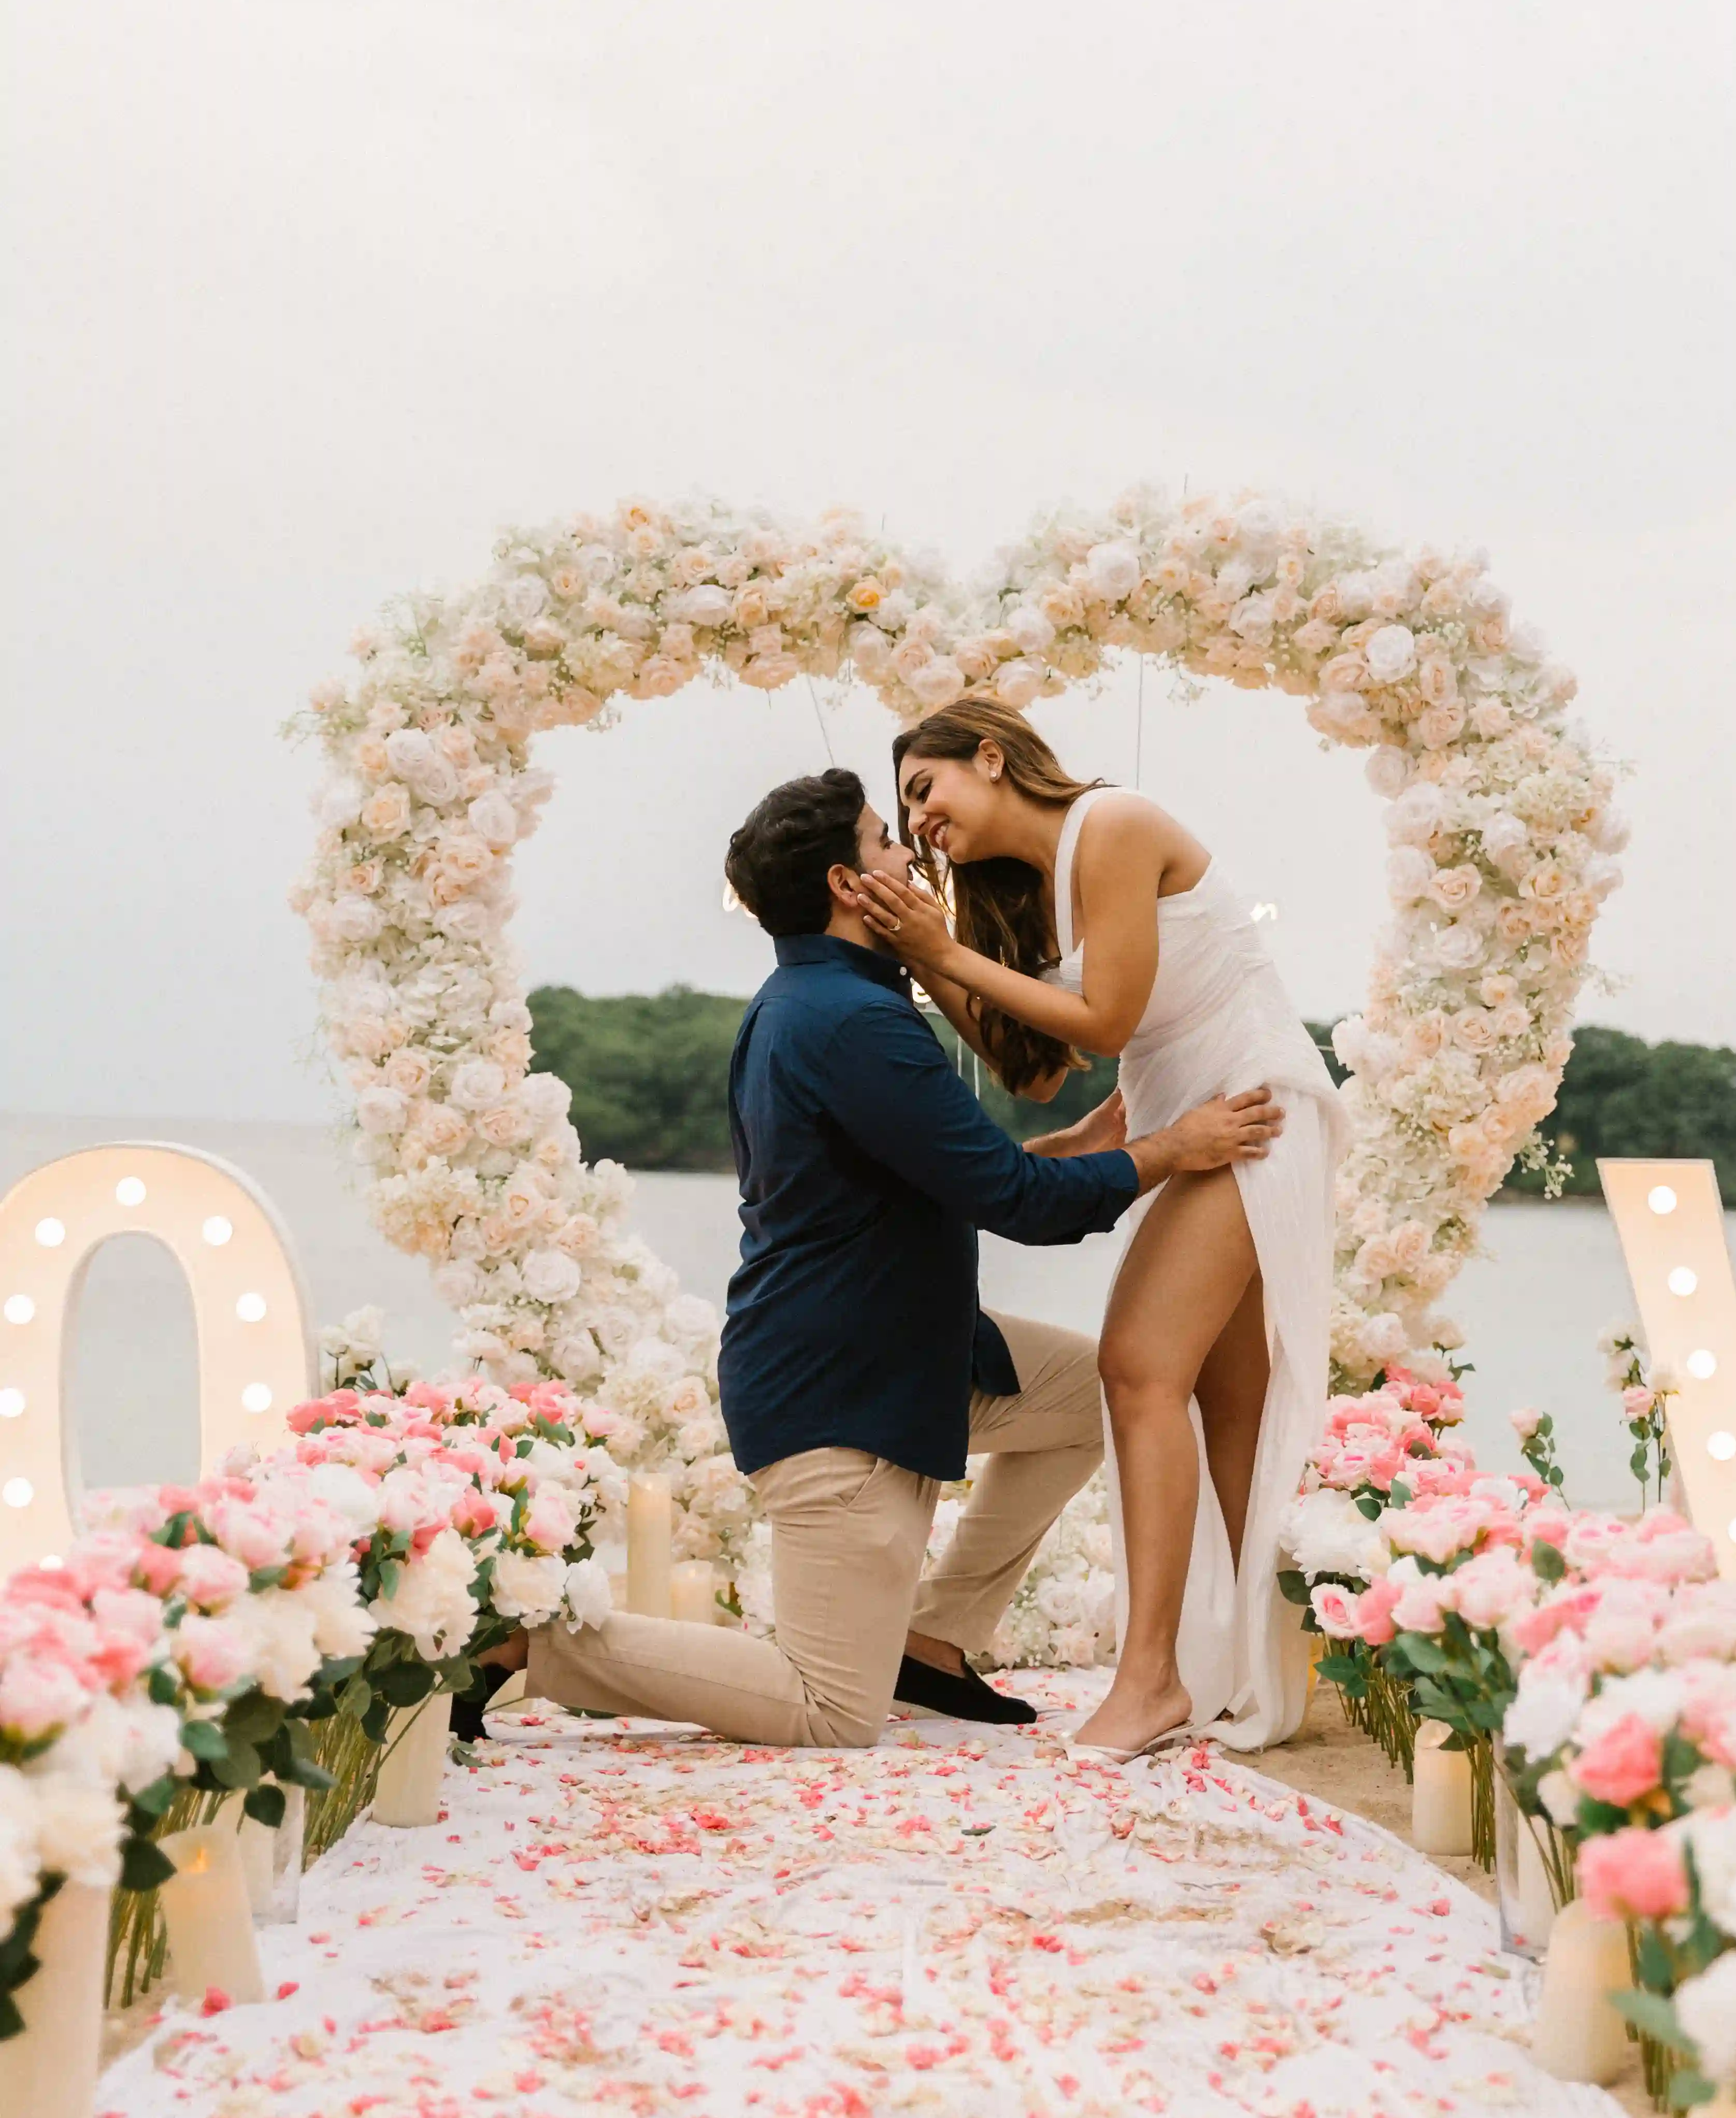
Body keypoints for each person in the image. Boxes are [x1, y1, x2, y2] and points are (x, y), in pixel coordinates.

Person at [477, 766, 1283, 1751]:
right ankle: (534, 1649)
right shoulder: (850, 1023)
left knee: (1089, 1401)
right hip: (841, 1393)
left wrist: (1093, 1143)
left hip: (919, 1354)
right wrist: (1173, 1150)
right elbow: (1018, 1208)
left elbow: (964, 1175)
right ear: (848, 889)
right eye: (882, 841)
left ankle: (934, 1639)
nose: (910, 850)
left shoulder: (819, 1000)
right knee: (829, 1708)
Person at [860, 696, 1345, 1758]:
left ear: (989, 756)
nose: (921, 820)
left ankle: (1151, 1679)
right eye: (905, 812)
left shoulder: (1113, 826)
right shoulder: (1029, 893)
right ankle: (1246, 1671)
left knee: (1134, 1369)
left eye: (924, 790)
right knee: (1225, 1407)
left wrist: (944, 950)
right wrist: (943, 958)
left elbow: (1110, 1020)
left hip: (1249, 1113)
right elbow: (1042, 1068)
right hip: (1195, 1124)